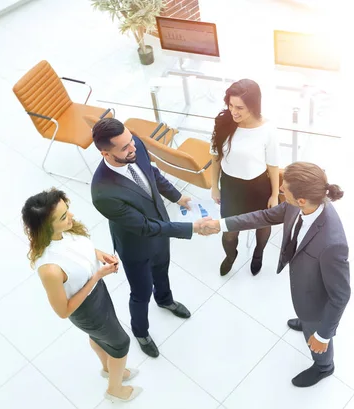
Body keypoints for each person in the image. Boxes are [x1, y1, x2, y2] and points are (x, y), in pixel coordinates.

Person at [199, 162, 350, 387]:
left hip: (317, 300)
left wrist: (323, 336)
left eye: (284, 188)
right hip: (304, 285)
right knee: (305, 313)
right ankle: (306, 320)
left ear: (301, 200)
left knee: (314, 325)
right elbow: (265, 217)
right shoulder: (298, 205)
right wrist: (221, 224)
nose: (279, 190)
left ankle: (324, 366)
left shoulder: (332, 243)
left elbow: (340, 296)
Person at [90, 118, 209, 358]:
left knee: (162, 270)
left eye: (131, 141)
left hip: (160, 231)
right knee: (141, 291)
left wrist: (178, 197)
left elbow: (151, 174)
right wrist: (192, 229)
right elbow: (144, 227)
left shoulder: (136, 148)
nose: (132, 148)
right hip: (136, 244)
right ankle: (140, 331)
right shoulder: (103, 192)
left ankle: (165, 300)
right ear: (105, 153)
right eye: (124, 148)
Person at [21, 188, 142, 403]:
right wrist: (95, 277)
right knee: (120, 343)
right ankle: (115, 390)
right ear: (46, 227)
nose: (72, 217)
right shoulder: (50, 268)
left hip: (98, 295)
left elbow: (78, 251)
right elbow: (63, 310)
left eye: (67, 210)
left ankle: (108, 368)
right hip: (86, 309)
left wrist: (99, 254)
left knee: (101, 337)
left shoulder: (66, 232)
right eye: (64, 216)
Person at [210, 79, 280, 276]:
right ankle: (231, 256)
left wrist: (274, 194)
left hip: (258, 186)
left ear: (254, 105)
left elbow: (273, 165)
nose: (234, 112)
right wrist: (214, 186)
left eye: (240, 107)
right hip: (231, 187)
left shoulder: (267, 130)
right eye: (231, 105)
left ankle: (258, 254)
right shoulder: (224, 123)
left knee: (262, 226)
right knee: (229, 232)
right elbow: (215, 157)